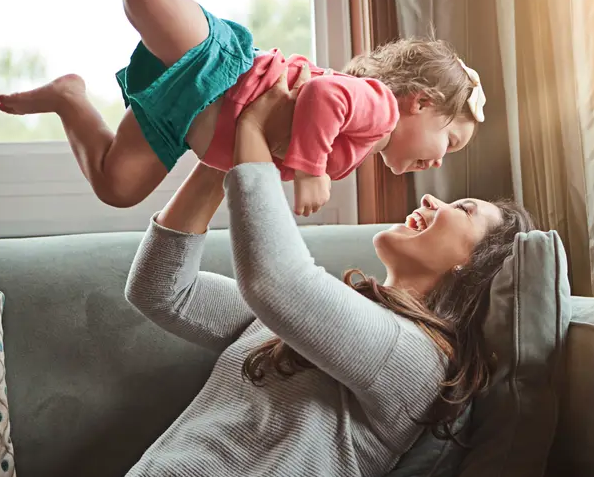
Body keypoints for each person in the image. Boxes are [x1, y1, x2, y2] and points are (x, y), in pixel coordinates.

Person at [122, 69, 534, 476]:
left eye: (463, 210)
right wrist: (222, 153)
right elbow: (163, 292)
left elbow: (277, 284)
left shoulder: (417, 360)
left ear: (474, 264)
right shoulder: (314, 321)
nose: (430, 197)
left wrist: (251, 133)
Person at [0, 0, 486, 216]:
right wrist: (310, 170)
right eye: (451, 141)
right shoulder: (379, 109)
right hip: (220, 76)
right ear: (421, 102)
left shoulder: (356, 150)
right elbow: (323, 96)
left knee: (117, 187)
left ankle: (70, 99)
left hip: (186, 123)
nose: (441, 160)